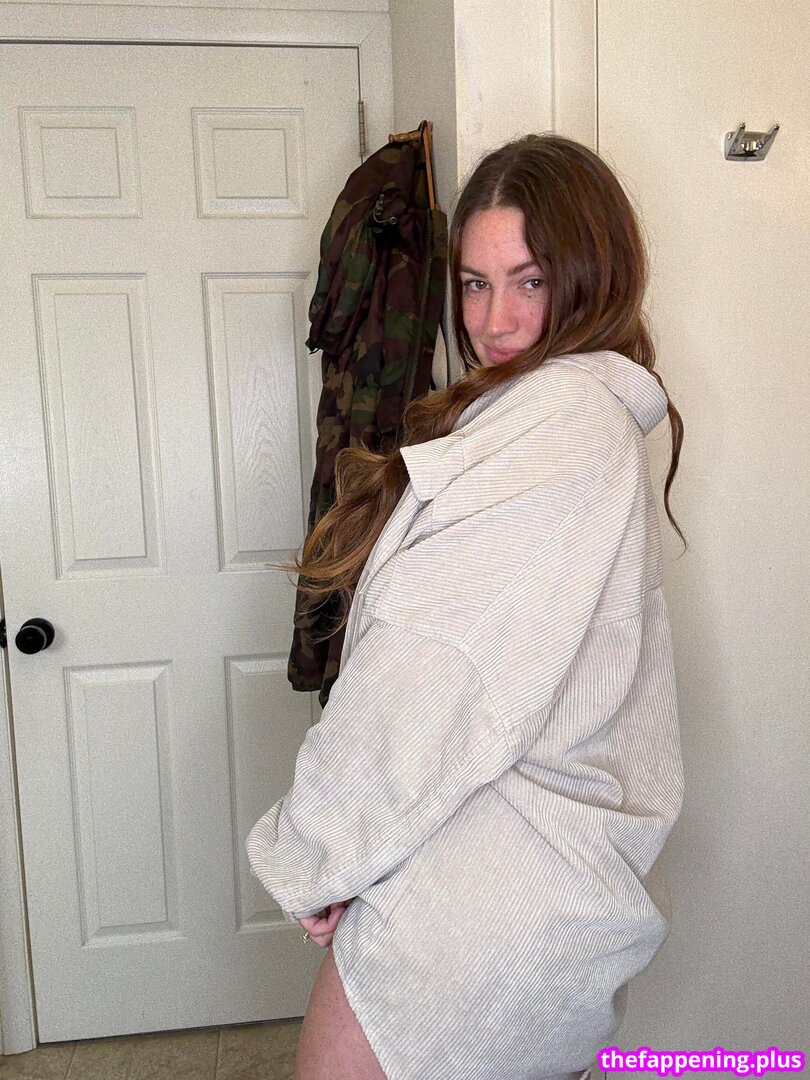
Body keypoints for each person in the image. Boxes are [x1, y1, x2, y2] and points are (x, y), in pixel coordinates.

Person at [246, 132, 686, 1080]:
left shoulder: (561, 422)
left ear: (595, 275)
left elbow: (433, 666)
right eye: (476, 285)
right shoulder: (561, 418)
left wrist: (319, 850)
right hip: (502, 884)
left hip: (472, 904)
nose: (495, 321)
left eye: (530, 282)